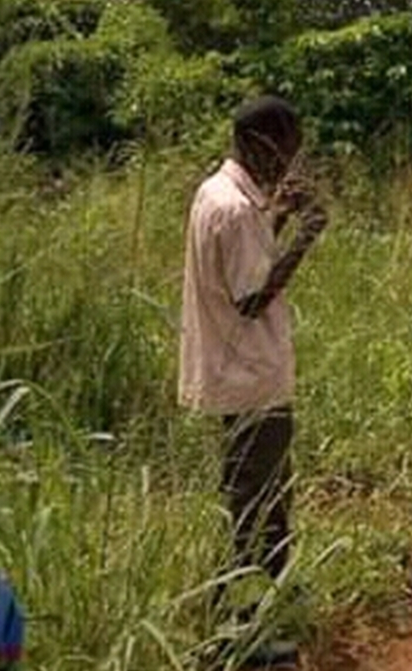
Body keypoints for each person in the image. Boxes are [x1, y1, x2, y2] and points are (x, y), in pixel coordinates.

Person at [179, 96, 327, 667]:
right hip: (248, 381)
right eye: (285, 150)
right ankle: (250, 637)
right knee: (261, 511)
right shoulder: (237, 210)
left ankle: (256, 620)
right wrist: (308, 232)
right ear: (260, 142)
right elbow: (251, 297)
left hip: (236, 377)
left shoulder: (220, 193)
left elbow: (245, 259)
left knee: (256, 502)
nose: (289, 164)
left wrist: (279, 216)